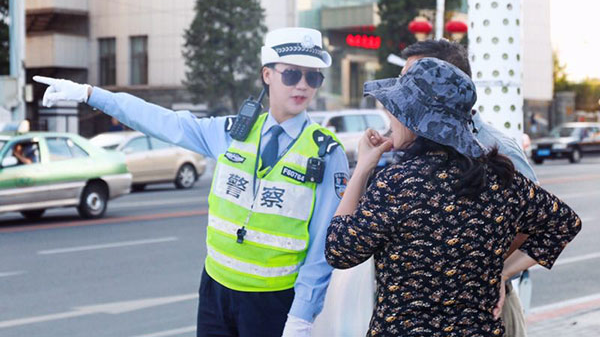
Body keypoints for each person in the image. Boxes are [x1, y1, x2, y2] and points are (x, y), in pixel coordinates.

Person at [34, 27, 350, 337]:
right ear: (267, 75)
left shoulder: (326, 152)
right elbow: (163, 122)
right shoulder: (231, 131)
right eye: (292, 74)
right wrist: (92, 94)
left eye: (314, 77)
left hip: (274, 300)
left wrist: (302, 317)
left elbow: (324, 244)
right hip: (215, 288)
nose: (303, 86)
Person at [325, 57, 581, 336]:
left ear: (415, 119)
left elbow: (340, 250)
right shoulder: (501, 179)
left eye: (396, 110)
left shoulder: (397, 185)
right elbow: (564, 224)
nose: (391, 117)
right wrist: (501, 273)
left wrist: (363, 167)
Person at [399, 39, 538, 336]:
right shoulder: (410, 143)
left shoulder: (496, 148)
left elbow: (538, 224)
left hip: (486, 309)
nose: (400, 90)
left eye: (410, 81)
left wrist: (493, 270)